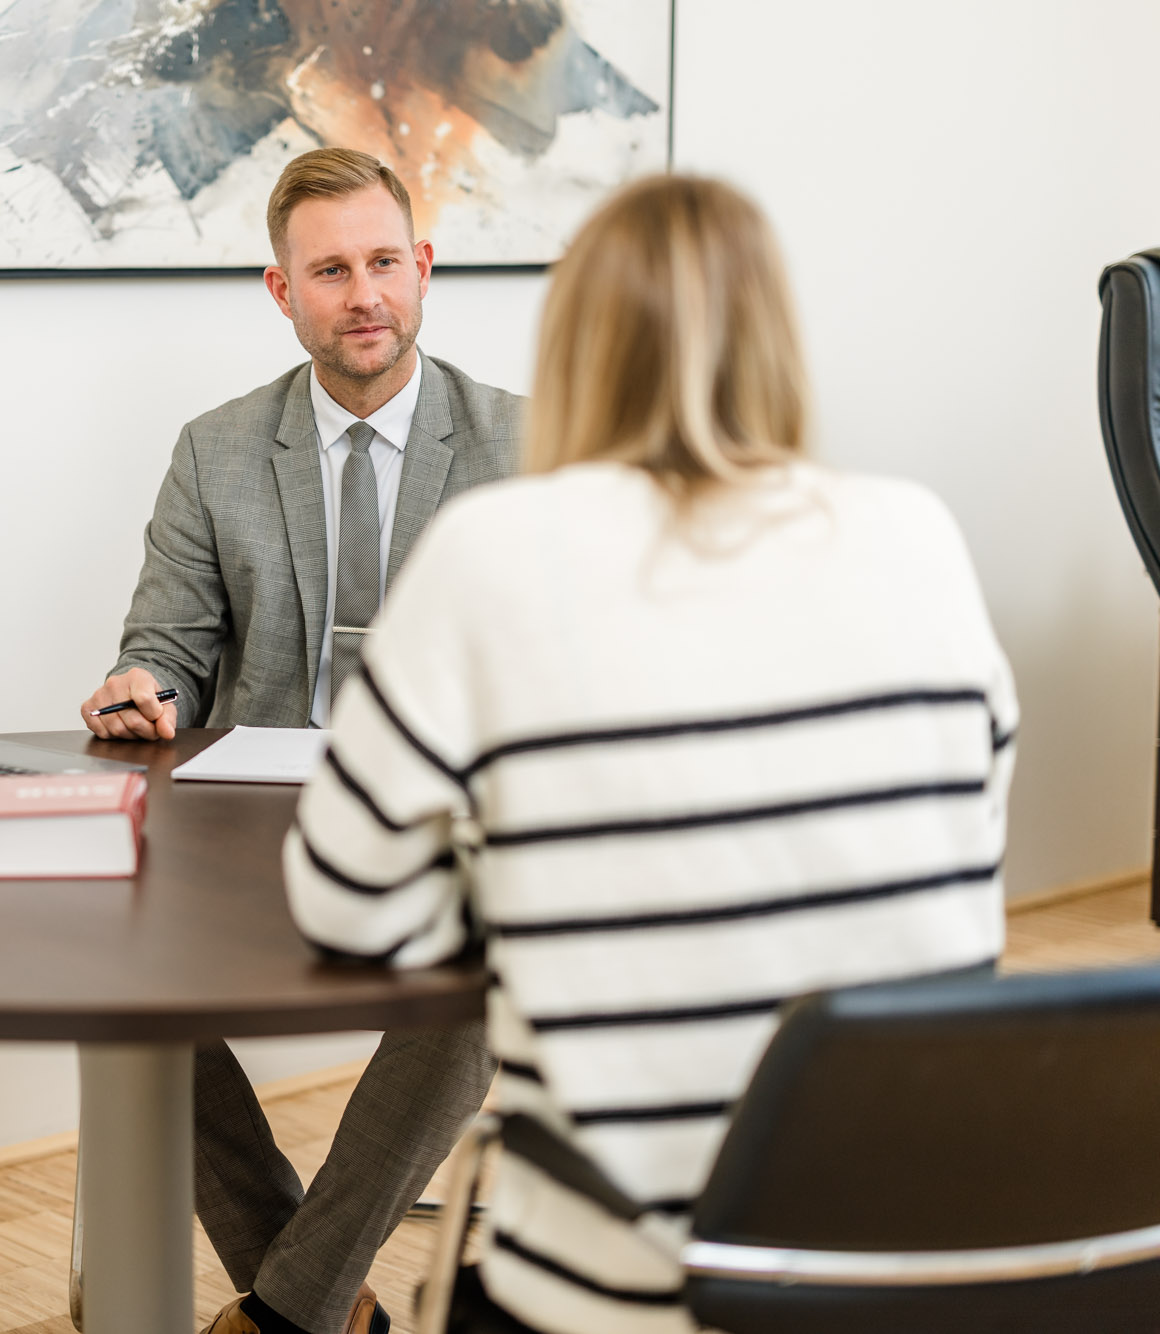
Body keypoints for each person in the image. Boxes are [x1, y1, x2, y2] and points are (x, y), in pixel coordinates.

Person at [284, 174, 1017, 1334]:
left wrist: (523, 881)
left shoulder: (496, 550)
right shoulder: (914, 533)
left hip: (632, 1287)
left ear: (572, 346)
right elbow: (961, 838)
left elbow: (344, 904)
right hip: (913, 1257)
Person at [80, 147, 526, 1334]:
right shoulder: (215, 449)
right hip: (247, 823)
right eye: (329, 269)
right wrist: (144, 682)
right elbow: (166, 643)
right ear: (281, 292)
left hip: (452, 826)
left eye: (385, 261)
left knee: (489, 982)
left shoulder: (528, 443)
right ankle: (315, 1293)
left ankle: (284, 1312)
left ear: (423, 269)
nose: (363, 292)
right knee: (105, 967)